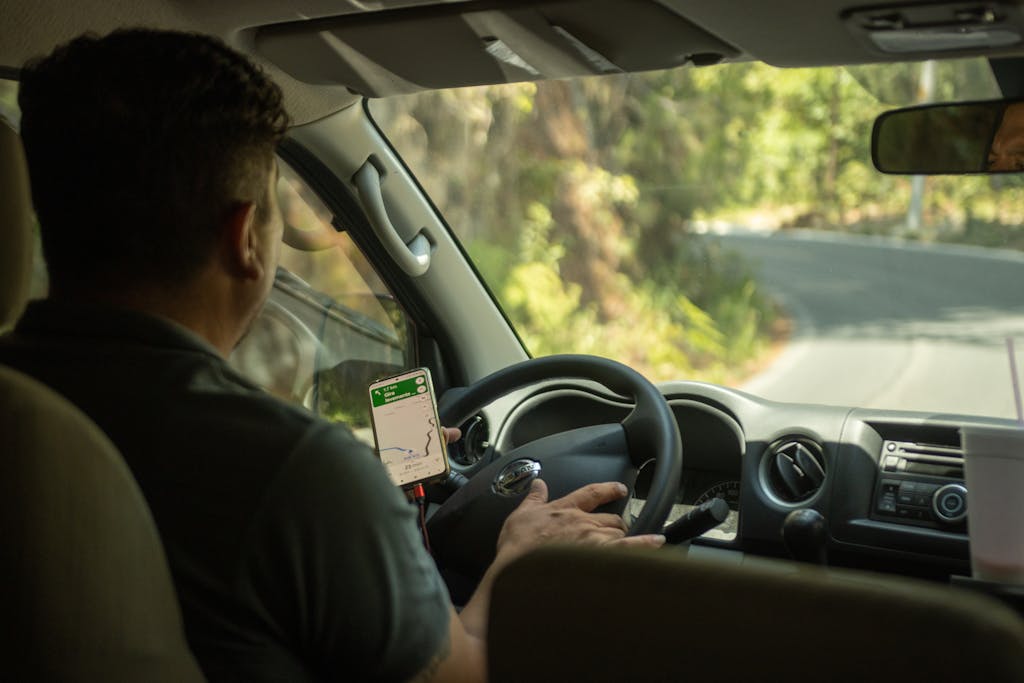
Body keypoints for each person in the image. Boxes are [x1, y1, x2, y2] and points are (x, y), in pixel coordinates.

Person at [0, 28, 665, 682]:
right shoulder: (298, 474)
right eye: (275, 216)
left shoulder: (24, 404)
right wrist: (518, 560)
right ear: (246, 239)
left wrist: (359, 490)